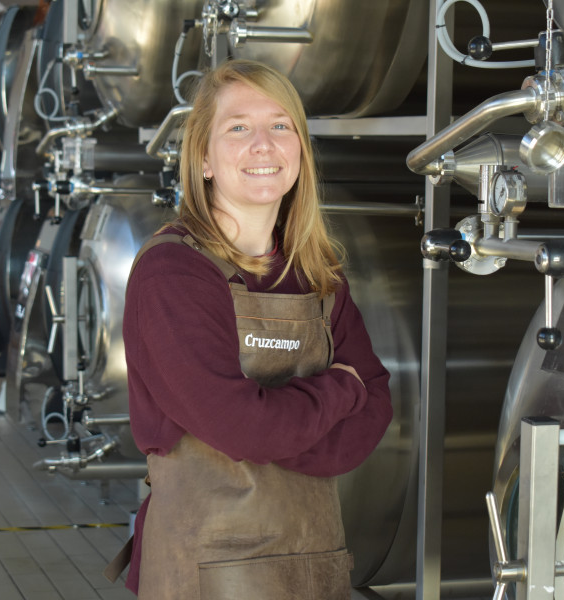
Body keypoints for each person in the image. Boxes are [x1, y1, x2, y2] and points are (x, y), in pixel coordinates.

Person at [112, 60, 393, 599]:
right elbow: (247, 427)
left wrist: (270, 428)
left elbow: (375, 408)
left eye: (281, 125)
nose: (263, 144)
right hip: (206, 569)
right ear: (203, 158)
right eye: (238, 127)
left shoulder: (317, 271)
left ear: (300, 151)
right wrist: (341, 389)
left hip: (314, 562)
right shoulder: (174, 272)